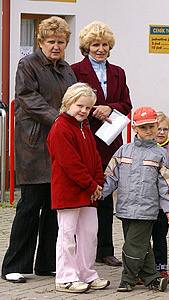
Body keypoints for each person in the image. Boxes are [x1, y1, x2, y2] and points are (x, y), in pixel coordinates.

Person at [1, 16, 76, 283]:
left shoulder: (67, 68)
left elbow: (73, 97)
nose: (56, 46)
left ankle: (47, 263)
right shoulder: (27, 64)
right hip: (33, 144)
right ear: (40, 42)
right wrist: (59, 118)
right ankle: (14, 264)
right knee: (30, 206)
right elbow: (27, 97)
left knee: (54, 206)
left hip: (59, 144)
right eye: (51, 41)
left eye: (61, 42)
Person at [72, 21, 132, 267]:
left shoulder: (118, 71)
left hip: (110, 141)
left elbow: (127, 104)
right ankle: (80, 249)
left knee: (106, 196)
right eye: (95, 44)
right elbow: (71, 101)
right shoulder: (75, 69)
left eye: (104, 45)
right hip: (85, 137)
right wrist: (93, 109)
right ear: (87, 46)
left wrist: (111, 107)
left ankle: (105, 249)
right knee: (84, 195)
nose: (100, 49)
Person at [103, 106, 169, 293]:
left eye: (152, 126)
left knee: (133, 245)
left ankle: (128, 279)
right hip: (125, 208)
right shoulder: (123, 151)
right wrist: (98, 193)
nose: (149, 131)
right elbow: (111, 176)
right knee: (141, 244)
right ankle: (152, 278)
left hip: (147, 210)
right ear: (135, 128)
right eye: (144, 127)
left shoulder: (160, 154)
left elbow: (166, 185)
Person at [47, 83, 110, 293]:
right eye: (79, 105)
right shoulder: (60, 128)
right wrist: (92, 184)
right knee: (67, 235)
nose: (83, 111)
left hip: (89, 191)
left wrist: (98, 182)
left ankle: (87, 273)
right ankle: (66, 277)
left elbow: (94, 158)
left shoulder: (84, 127)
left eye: (88, 107)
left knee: (89, 234)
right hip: (69, 191)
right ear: (68, 103)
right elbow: (70, 164)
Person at [151, 112, 169, 283]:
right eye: (158, 128)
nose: (161, 132)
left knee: (160, 236)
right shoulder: (143, 149)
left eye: (165, 129)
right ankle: (144, 268)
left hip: (165, 204)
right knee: (144, 237)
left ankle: (161, 267)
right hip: (146, 202)